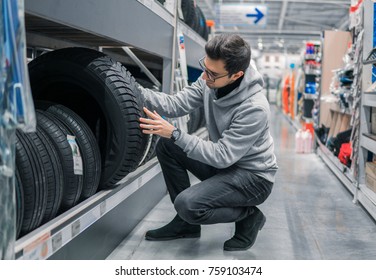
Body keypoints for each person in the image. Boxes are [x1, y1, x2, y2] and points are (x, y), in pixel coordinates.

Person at [138, 33, 278, 251]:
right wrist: (132, 89)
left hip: (253, 178)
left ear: (236, 75)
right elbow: (175, 104)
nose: (205, 78)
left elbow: (222, 156)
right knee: (167, 145)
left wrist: (175, 133)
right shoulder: (210, 79)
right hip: (228, 165)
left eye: (212, 74)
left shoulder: (254, 107)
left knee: (188, 204)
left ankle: (249, 216)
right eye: (205, 67)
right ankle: (185, 225)